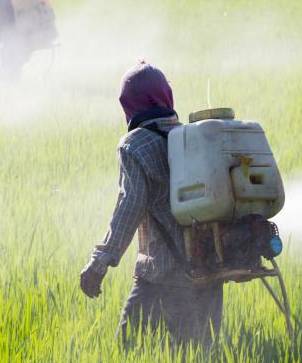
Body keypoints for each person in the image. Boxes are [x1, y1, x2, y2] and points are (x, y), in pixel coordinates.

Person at [78, 62, 224, 347]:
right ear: (166, 96)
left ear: (129, 105)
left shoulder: (134, 145)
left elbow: (129, 206)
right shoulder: (192, 137)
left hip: (163, 274)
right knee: (202, 359)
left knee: (128, 352)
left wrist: (100, 261)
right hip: (210, 266)